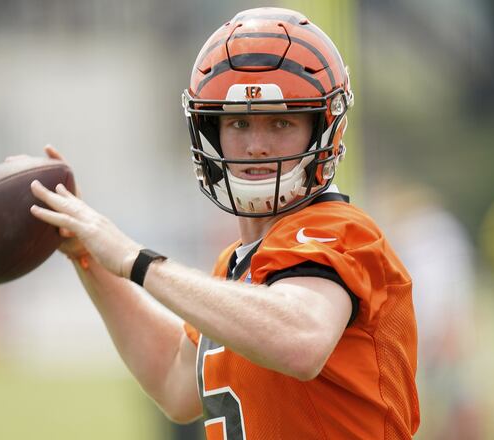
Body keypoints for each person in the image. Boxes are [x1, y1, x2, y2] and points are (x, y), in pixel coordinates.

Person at [30, 7, 420, 439]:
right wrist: (90, 259)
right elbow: (174, 382)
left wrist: (134, 259)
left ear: (323, 129)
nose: (256, 146)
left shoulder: (341, 232)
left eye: (281, 121)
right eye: (238, 122)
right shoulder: (236, 270)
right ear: (210, 132)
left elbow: (301, 338)